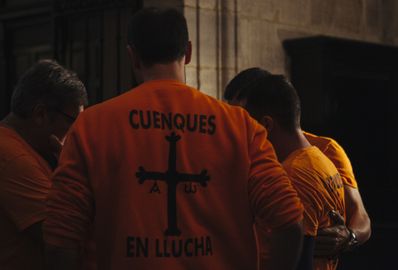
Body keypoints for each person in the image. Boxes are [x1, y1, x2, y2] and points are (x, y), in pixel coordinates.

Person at [44, 8, 304, 270]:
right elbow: (290, 222)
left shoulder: (91, 126)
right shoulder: (241, 127)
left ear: (133, 56)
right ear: (188, 52)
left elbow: (59, 241)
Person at [224, 67, 371, 257]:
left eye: (244, 117)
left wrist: (349, 236)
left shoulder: (324, 151)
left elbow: (360, 214)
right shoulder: (246, 152)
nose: (238, 127)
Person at [240, 74, 346, 270]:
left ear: (266, 125)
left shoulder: (293, 174)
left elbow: (298, 258)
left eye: (250, 128)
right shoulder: (321, 160)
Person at [0, 59, 87, 269]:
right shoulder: (13, 158)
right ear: (41, 114)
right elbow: (62, 237)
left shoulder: (22, 148)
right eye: (73, 122)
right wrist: (74, 166)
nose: (78, 133)